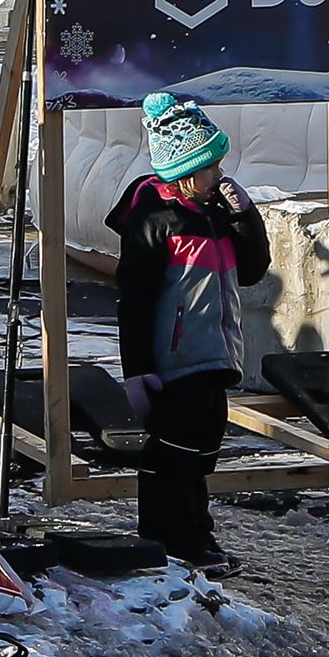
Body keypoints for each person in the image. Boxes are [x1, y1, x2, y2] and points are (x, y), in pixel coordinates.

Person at [107, 92, 269, 569]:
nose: (219, 174)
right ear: (186, 170)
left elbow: (253, 270)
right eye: (211, 167)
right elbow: (134, 299)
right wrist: (137, 369)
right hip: (174, 360)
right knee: (174, 453)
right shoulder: (156, 220)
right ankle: (172, 539)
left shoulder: (215, 213)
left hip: (216, 352)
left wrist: (245, 217)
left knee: (203, 450)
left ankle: (198, 533)